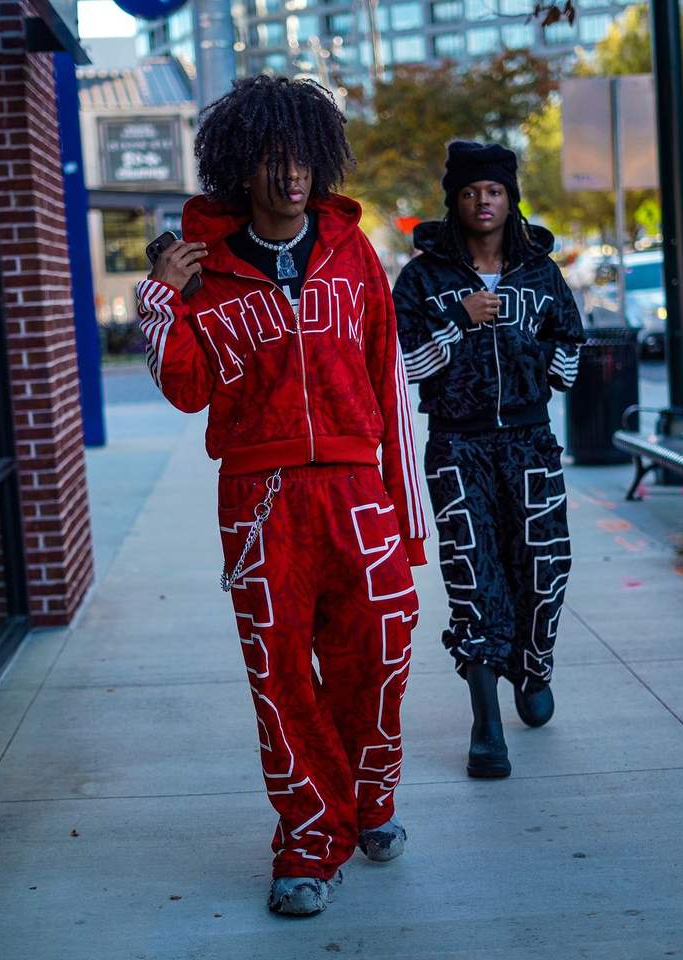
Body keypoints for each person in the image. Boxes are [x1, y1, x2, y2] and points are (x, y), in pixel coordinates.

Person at [137, 76, 427, 916]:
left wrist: (407, 519)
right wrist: (160, 300)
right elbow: (187, 391)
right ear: (242, 167)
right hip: (260, 502)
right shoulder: (207, 275)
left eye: (302, 157)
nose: (291, 174)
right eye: (273, 159)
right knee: (280, 678)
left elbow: (388, 381)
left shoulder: (353, 255)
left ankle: (371, 794)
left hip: (356, 490)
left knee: (381, 654)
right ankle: (309, 839)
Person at [393, 141, 584, 779]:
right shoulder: (423, 278)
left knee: (545, 567)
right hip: (458, 445)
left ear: (510, 199)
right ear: (455, 200)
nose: (483, 201)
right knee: (473, 576)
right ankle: (486, 722)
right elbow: (401, 363)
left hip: (530, 442)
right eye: (471, 191)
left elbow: (570, 344)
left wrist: (538, 361)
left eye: (494, 191)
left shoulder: (540, 271)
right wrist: (460, 320)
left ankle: (534, 666)